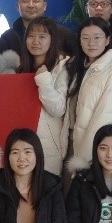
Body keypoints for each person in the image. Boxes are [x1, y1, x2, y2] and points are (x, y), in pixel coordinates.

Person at [64, 18, 112, 174]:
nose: (91, 43)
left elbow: (104, 118)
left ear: (107, 40)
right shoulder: (78, 67)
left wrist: (84, 160)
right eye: (85, 38)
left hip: (94, 150)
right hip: (73, 141)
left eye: (97, 38)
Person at [23, 15, 70, 174]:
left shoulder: (62, 67)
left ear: (52, 39)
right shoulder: (20, 68)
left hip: (49, 146)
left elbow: (57, 109)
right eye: (31, 36)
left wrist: (43, 79)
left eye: (42, 36)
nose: (35, 41)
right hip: (23, 144)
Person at [0, 0, 73, 57]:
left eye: (36, 1)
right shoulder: (7, 37)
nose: (31, 5)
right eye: (25, 1)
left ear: (44, 6)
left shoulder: (63, 34)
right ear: (17, 6)